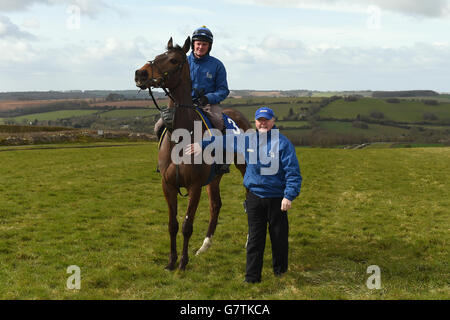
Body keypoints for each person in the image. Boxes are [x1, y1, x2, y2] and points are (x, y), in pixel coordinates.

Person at [186, 107, 302, 283]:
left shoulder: (283, 143)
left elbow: (293, 173)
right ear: (255, 122)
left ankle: (280, 272)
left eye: (266, 120)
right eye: (260, 120)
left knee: (279, 238)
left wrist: (289, 196)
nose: (263, 123)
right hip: (254, 197)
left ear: (273, 121)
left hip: (277, 198)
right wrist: (201, 145)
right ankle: (252, 278)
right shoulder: (247, 139)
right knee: (255, 239)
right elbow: (223, 141)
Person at [155, 26, 230, 173]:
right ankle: (163, 160)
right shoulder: (182, 61)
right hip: (182, 105)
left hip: (207, 105)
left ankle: (221, 162)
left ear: (209, 46)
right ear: (193, 45)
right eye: (198, 43)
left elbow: (223, 90)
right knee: (158, 126)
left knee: (219, 124)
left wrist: (208, 97)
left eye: (204, 44)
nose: (200, 47)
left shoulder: (217, 65)